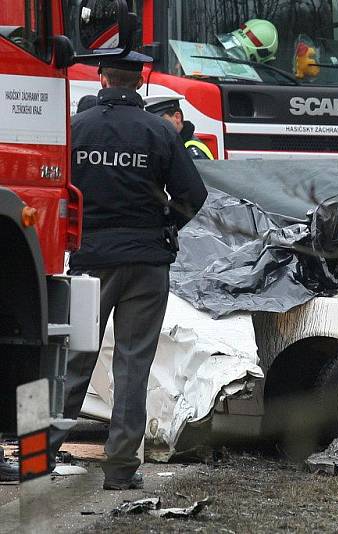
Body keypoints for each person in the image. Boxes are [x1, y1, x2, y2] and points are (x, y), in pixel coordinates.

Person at [52, 51, 208, 490]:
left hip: (90, 260)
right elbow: (192, 193)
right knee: (132, 366)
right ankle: (121, 470)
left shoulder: (75, 128)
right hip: (146, 262)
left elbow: (54, 185)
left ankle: (37, 456)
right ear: (140, 83)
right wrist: (165, 225)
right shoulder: (158, 131)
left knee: (72, 359)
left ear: (101, 78)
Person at [142, 95, 214, 160]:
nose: (155, 126)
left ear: (177, 117)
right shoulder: (171, 146)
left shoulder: (191, 150)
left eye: (160, 121)